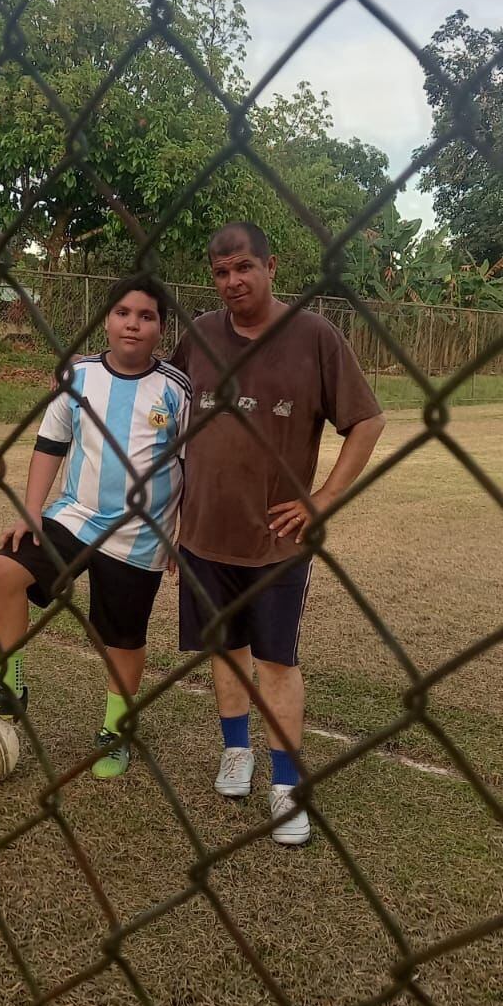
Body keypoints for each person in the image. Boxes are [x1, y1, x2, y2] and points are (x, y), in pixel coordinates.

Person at [170, 221, 385, 844]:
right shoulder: (200, 335)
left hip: (276, 541)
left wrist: (323, 499)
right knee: (225, 649)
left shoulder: (314, 337)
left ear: (271, 266)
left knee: (276, 661)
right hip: (202, 533)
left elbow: (367, 421)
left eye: (244, 267)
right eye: (221, 272)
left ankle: (287, 785)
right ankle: (236, 752)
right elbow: (163, 401)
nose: (232, 281)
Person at [0, 278, 191, 779]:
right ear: (106, 320)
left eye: (146, 316)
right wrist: (32, 509)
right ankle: (9, 686)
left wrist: (182, 533)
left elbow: (192, 465)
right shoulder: (79, 376)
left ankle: (115, 730)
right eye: (122, 313)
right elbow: (51, 442)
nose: (133, 324)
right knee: (6, 569)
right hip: (75, 516)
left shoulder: (176, 389)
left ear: (161, 328)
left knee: (123, 637)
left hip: (140, 533)